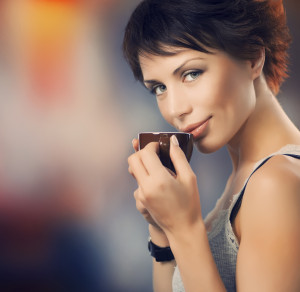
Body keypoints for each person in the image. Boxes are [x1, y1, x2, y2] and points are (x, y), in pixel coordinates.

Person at [123, 0, 300, 291]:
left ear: (253, 58)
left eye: (191, 73)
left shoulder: (274, 184)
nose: (175, 108)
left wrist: (184, 228)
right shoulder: (245, 177)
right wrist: (162, 228)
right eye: (159, 88)